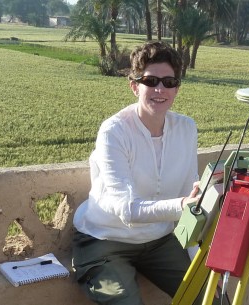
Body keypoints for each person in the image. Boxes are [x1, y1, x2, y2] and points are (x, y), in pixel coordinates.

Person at [71, 41, 201, 305]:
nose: (159, 89)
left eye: (169, 82)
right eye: (150, 80)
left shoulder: (186, 129)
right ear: (134, 86)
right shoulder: (114, 131)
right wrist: (183, 205)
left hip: (160, 241)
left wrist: (201, 262)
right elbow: (127, 210)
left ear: (177, 87)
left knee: (211, 297)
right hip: (105, 241)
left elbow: (191, 194)